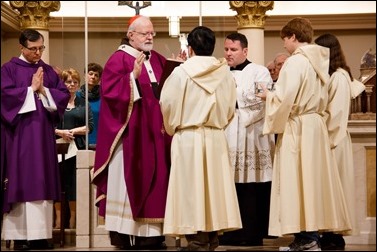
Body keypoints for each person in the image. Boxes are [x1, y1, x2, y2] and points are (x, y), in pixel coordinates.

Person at [257, 17, 351, 251]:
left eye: (284, 40)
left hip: (298, 126)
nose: (284, 46)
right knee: (311, 183)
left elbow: (286, 97)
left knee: (297, 181)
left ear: (292, 37)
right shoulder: (319, 61)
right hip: (315, 126)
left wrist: (269, 97)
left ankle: (307, 238)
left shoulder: (296, 62)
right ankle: (309, 235)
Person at [91, 15, 172, 250]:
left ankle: (152, 235)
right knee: (127, 184)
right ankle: (125, 235)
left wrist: (178, 69)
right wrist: (131, 78)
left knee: (157, 182)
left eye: (152, 33)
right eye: (145, 33)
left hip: (155, 134)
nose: (150, 37)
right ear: (131, 35)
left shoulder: (157, 59)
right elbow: (110, 92)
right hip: (130, 137)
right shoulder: (118, 59)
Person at [160, 26, 242, 251]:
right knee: (212, 190)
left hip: (188, 136)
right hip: (215, 136)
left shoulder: (181, 72)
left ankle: (196, 240)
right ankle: (211, 237)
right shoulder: (224, 72)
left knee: (190, 189)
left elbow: (168, 104)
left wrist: (172, 127)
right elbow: (229, 108)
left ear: (191, 47)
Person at [1, 28, 70, 250]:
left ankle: (40, 236)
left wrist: (44, 91)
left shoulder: (48, 71)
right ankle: (20, 237)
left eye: (41, 48)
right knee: (22, 182)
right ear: (21, 47)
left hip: (42, 139)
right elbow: (4, 97)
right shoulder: (8, 70)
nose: (37, 53)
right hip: (19, 138)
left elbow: (62, 96)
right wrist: (30, 90)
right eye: (33, 49)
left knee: (42, 181)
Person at [218, 32, 275, 247]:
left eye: (233, 50)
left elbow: (263, 100)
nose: (229, 54)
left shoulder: (259, 71)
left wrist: (233, 97)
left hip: (252, 135)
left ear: (245, 51)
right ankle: (229, 231)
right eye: (226, 49)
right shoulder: (220, 71)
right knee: (229, 185)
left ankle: (252, 233)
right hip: (226, 132)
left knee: (252, 187)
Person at [315, 33, 365, 250]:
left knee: (337, 189)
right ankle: (328, 232)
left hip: (333, 141)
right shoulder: (332, 76)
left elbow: (337, 114)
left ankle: (334, 235)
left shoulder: (339, 77)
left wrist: (323, 140)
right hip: (329, 139)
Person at [54, 68, 94, 229]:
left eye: (75, 82)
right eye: (68, 81)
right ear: (63, 83)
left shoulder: (84, 104)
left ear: (78, 85)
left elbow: (89, 126)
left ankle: (73, 220)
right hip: (58, 149)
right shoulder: (56, 104)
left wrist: (72, 132)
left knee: (74, 185)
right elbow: (48, 126)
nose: (71, 85)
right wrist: (60, 132)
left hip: (77, 149)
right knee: (58, 184)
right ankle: (58, 220)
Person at [77, 63, 103, 150]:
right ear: (85, 75)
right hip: (80, 141)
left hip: (99, 140)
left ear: (99, 79)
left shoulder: (104, 97)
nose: (93, 77)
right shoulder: (76, 96)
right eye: (90, 73)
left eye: (96, 75)